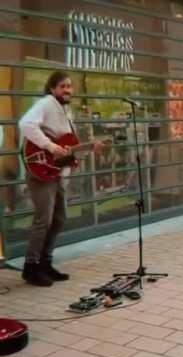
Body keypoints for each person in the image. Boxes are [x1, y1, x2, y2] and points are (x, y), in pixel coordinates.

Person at [19, 71, 103, 287]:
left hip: (57, 173)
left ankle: (45, 263)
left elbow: (68, 149)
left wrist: (89, 148)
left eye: (70, 86)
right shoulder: (46, 103)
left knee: (58, 219)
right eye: (63, 86)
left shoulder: (65, 111)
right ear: (52, 88)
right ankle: (30, 268)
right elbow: (26, 124)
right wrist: (50, 146)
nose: (68, 90)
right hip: (42, 172)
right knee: (43, 220)